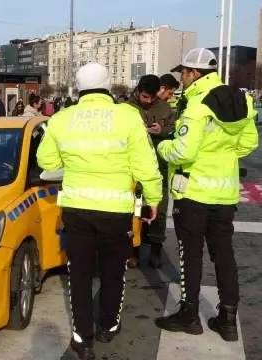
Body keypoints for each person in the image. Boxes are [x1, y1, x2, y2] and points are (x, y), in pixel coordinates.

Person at [36, 63, 162, 359]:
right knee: (112, 270)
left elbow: (47, 161)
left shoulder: (61, 119)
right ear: (108, 83)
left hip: (77, 210)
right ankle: (108, 325)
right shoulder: (128, 116)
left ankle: (83, 338)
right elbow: (146, 164)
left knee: (78, 274)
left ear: (78, 87)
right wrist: (152, 200)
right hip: (116, 211)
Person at [154, 48, 258, 342]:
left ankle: (189, 316)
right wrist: (222, 158)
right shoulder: (242, 100)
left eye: (183, 72)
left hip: (194, 193)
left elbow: (183, 150)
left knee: (191, 255)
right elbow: (248, 143)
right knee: (224, 254)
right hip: (224, 193)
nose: (181, 78)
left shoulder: (197, 106)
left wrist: (163, 146)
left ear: (195, 73)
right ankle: (227, 319)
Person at [123, 74, 176, 269]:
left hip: (158, 166)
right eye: (145, 96)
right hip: (132, 168)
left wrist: (161, 130)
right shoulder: (126, 109)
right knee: (135, 211)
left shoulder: (164, 107)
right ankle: (133, 251)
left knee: (159, 211)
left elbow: (174, 129)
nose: (148, 100)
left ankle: (155, 250)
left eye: (152, 97)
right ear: (137, 91)